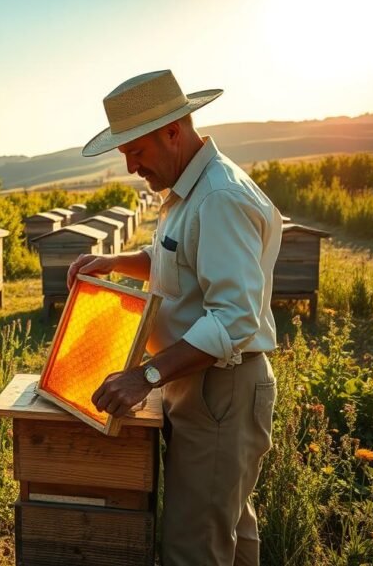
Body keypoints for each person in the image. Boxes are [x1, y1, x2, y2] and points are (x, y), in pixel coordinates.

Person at [67, 69, 283, 565]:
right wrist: (116, 262)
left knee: (195, 548)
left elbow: (232, 320)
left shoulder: (219, 197)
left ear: (173, 131)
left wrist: (145, 376)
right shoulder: (192, 189)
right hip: (200, 382)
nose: (130, 167)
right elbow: (180, 259)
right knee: (226, 528)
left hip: (219, 388)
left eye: (136, 151)